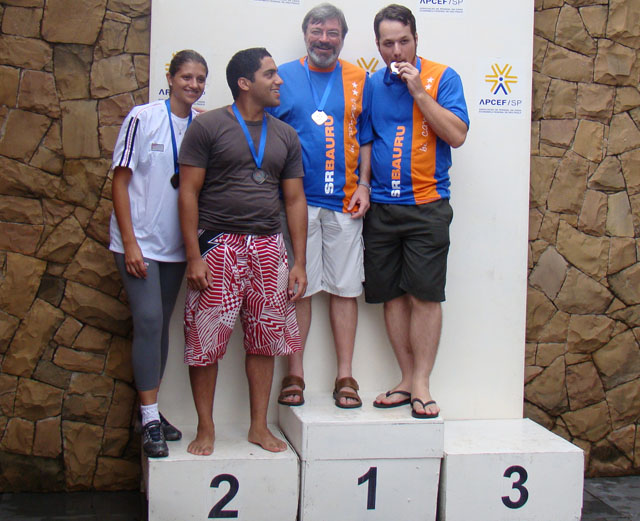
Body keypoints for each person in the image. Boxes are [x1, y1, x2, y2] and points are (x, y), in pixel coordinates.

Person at [178, 47, 308, 456]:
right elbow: (188, 192)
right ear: (245, 83)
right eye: (270, 74)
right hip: (218, 245)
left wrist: (299, 262)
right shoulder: (208, 126)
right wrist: (194, 256)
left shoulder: (285, 134)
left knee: (265, 340)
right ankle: (206, 428)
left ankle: (258, 427)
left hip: (269, 246)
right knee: (205, 342)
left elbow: (295, 200)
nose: (279, 80)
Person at [365, 4, 469, 418]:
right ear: (378, 46)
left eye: (403, 41)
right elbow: (368, 140)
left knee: (424, 295)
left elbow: (457, 135)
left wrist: (419, 93)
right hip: (381, 207)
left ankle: (423, 383)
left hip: (427, 205)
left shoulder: (443, 77)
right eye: (388, 44)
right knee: (391, 296)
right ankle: (406, 380)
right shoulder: (372, 84)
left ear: (416, 40)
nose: (396, 52)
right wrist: (363, 188)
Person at [268, 3, 372, 409]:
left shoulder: (359, 78)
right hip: (296, 203)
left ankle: (345, 375)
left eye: (332, 33)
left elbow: (366, 137)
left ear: (342, 38)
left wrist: (365, 184)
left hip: (346, 202)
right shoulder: (281, 77)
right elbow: (264, 132)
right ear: (305, 33)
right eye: (317, 31)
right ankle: (294, 373)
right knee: (300, 289)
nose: (324, 40)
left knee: (345, 290)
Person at [110, 50, 208, 458]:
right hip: (139, 245)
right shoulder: (143, 117)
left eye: (200, 79)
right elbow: (119, 181)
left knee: (161, 326)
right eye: (186, 77)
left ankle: (150, 412)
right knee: (149, 321)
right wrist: (130, 241)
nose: (193, 85)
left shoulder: (202, 126)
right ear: (170, 78)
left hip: (176, 248)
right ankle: (149, 418)